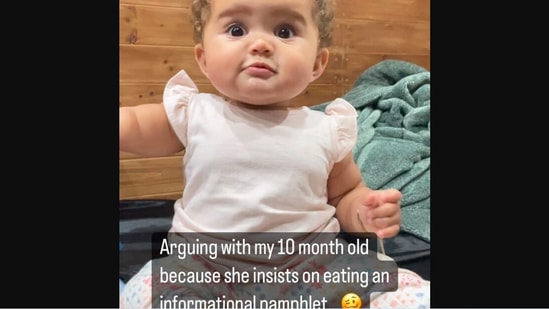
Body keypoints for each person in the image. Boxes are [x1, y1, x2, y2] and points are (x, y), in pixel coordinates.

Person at [119, 0, 430, 308]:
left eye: (284, 30)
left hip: (312, 269)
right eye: (237, 29)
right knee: (146, 293)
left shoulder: (327, 129)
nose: (261, 44)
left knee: (405, 293)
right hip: (205, 269)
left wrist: (364, 212)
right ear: (203, 58)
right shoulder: (195, 113)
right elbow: (133, 125)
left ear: (317, 64)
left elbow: (346, 193)